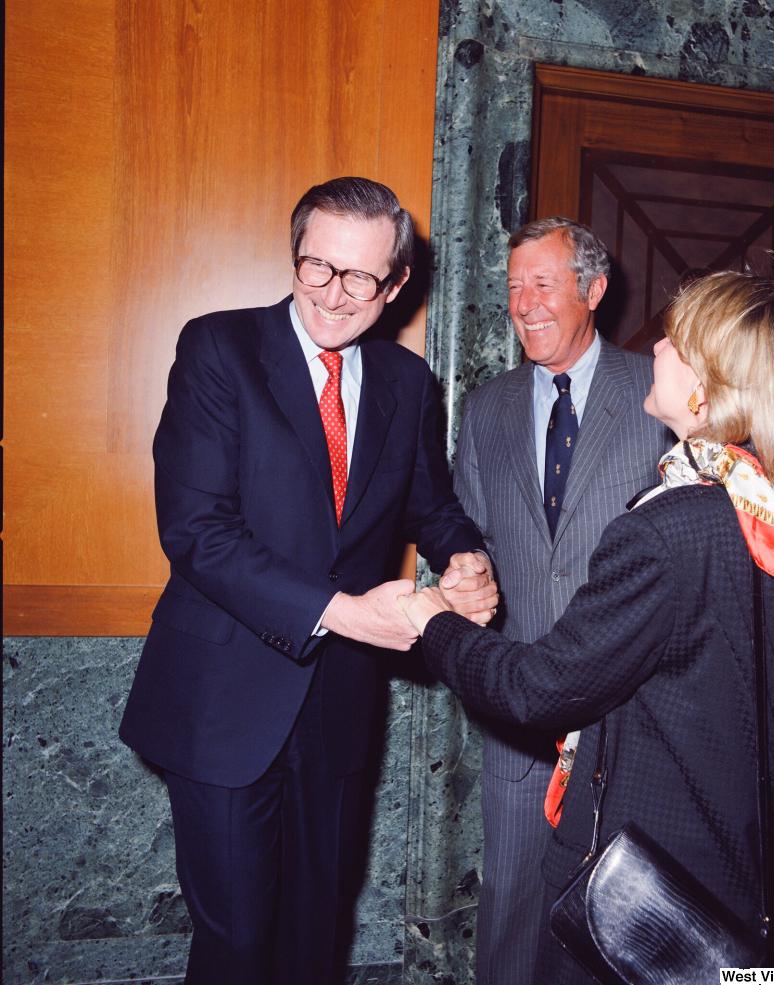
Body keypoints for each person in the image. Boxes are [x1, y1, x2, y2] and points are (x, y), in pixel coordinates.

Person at [400, 269, 774, 982]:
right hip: (739, 870)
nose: (657, 347)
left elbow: (536, 689)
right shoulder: (770, 509)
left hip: (653, 890)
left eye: (676, 340)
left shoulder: (676, 525)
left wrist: (433, 622)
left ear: (711, 383)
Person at [118, 177, 497, 985]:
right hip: (222, 703)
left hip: (337, 709)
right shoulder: (219, 348)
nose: (333, 294)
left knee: (313, 939)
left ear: (395, 286)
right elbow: (197, 533)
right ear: (295, 258)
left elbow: (431, 505)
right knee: (240, 945)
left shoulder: (405, 382)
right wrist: (346, 613)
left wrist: (467, 556)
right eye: (317, 267)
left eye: (360, 276)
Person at [452, 216, 670, 984]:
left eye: (543, 283)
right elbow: (464, 535)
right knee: (510, 909)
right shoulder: (484, 409)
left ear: (594, 290)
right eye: (513, 287)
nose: (524, 303)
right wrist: (458, 573)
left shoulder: (660, 392)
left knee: (627, 916)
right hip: (519, 716)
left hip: (633, 715)